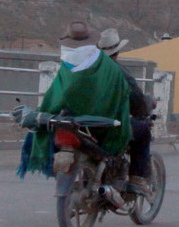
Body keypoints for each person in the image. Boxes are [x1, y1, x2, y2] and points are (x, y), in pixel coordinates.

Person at [16, 21, 132, 196]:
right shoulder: (110, 68)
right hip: (101, 126)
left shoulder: (66, 65)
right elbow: (120, 97)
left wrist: (46, 110)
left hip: (65, 117)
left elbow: (55, 95)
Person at [98, 28, 155, 194]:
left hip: (84, 122)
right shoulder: (119, 72)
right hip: (110, 125)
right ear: (117, 51)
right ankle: (137, 178)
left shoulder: (86, 68)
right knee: (143, 130)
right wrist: (143, 112)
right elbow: (136, 98)